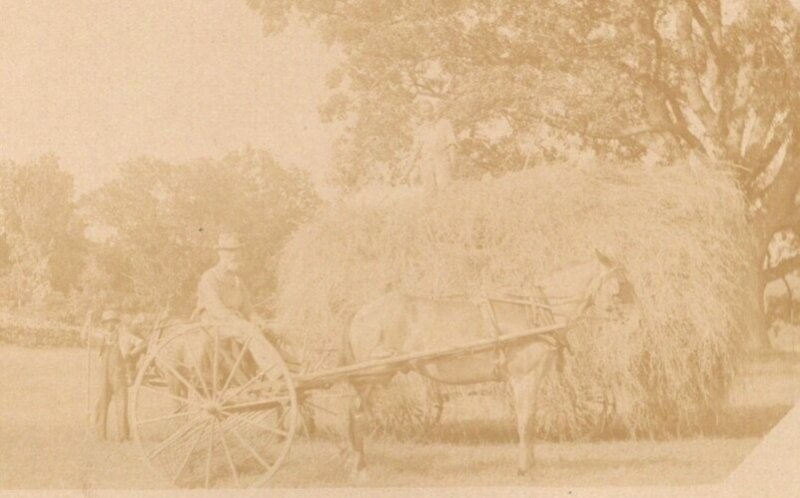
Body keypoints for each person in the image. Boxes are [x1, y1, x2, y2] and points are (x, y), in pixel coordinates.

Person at [194, 232, 301, 371]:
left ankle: (294, 367)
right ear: (220, 253)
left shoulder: (237, 280)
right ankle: (276, 373)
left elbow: (248, 310)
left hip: (234, 323)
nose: (235, 255)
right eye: (230, 251)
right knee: (249, 330)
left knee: (272, 329)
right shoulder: (209, 278)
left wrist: (260, 321)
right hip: (213, 325)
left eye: (237, 251)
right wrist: (239, 322)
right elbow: (216, 309)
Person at [83, 309, 143, 441]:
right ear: (104, 324)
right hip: (104, 375)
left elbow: (141, 343)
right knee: (102, 403)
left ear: (116, 323)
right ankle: (101, 435)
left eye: (113, 322)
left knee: (121, 404)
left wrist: (131, 354)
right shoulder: (100, 337)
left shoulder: (124, 336)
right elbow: (84, 337)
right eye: (107, 323)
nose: (110, 325)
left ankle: (123, 436)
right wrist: (87, 323)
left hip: (119, 374)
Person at [404, 99, 457, 194]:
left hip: (442, 163)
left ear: (433, 110)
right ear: (421, 113)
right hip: (427, 165)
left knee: (446, 191)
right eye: (424, 112)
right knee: (430, 193)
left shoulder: (444, 124)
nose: (427, 114)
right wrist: (407, 172)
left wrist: (453, 164)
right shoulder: (419, 130)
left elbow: (452, 145)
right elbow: (415, 152)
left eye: (429, 110)